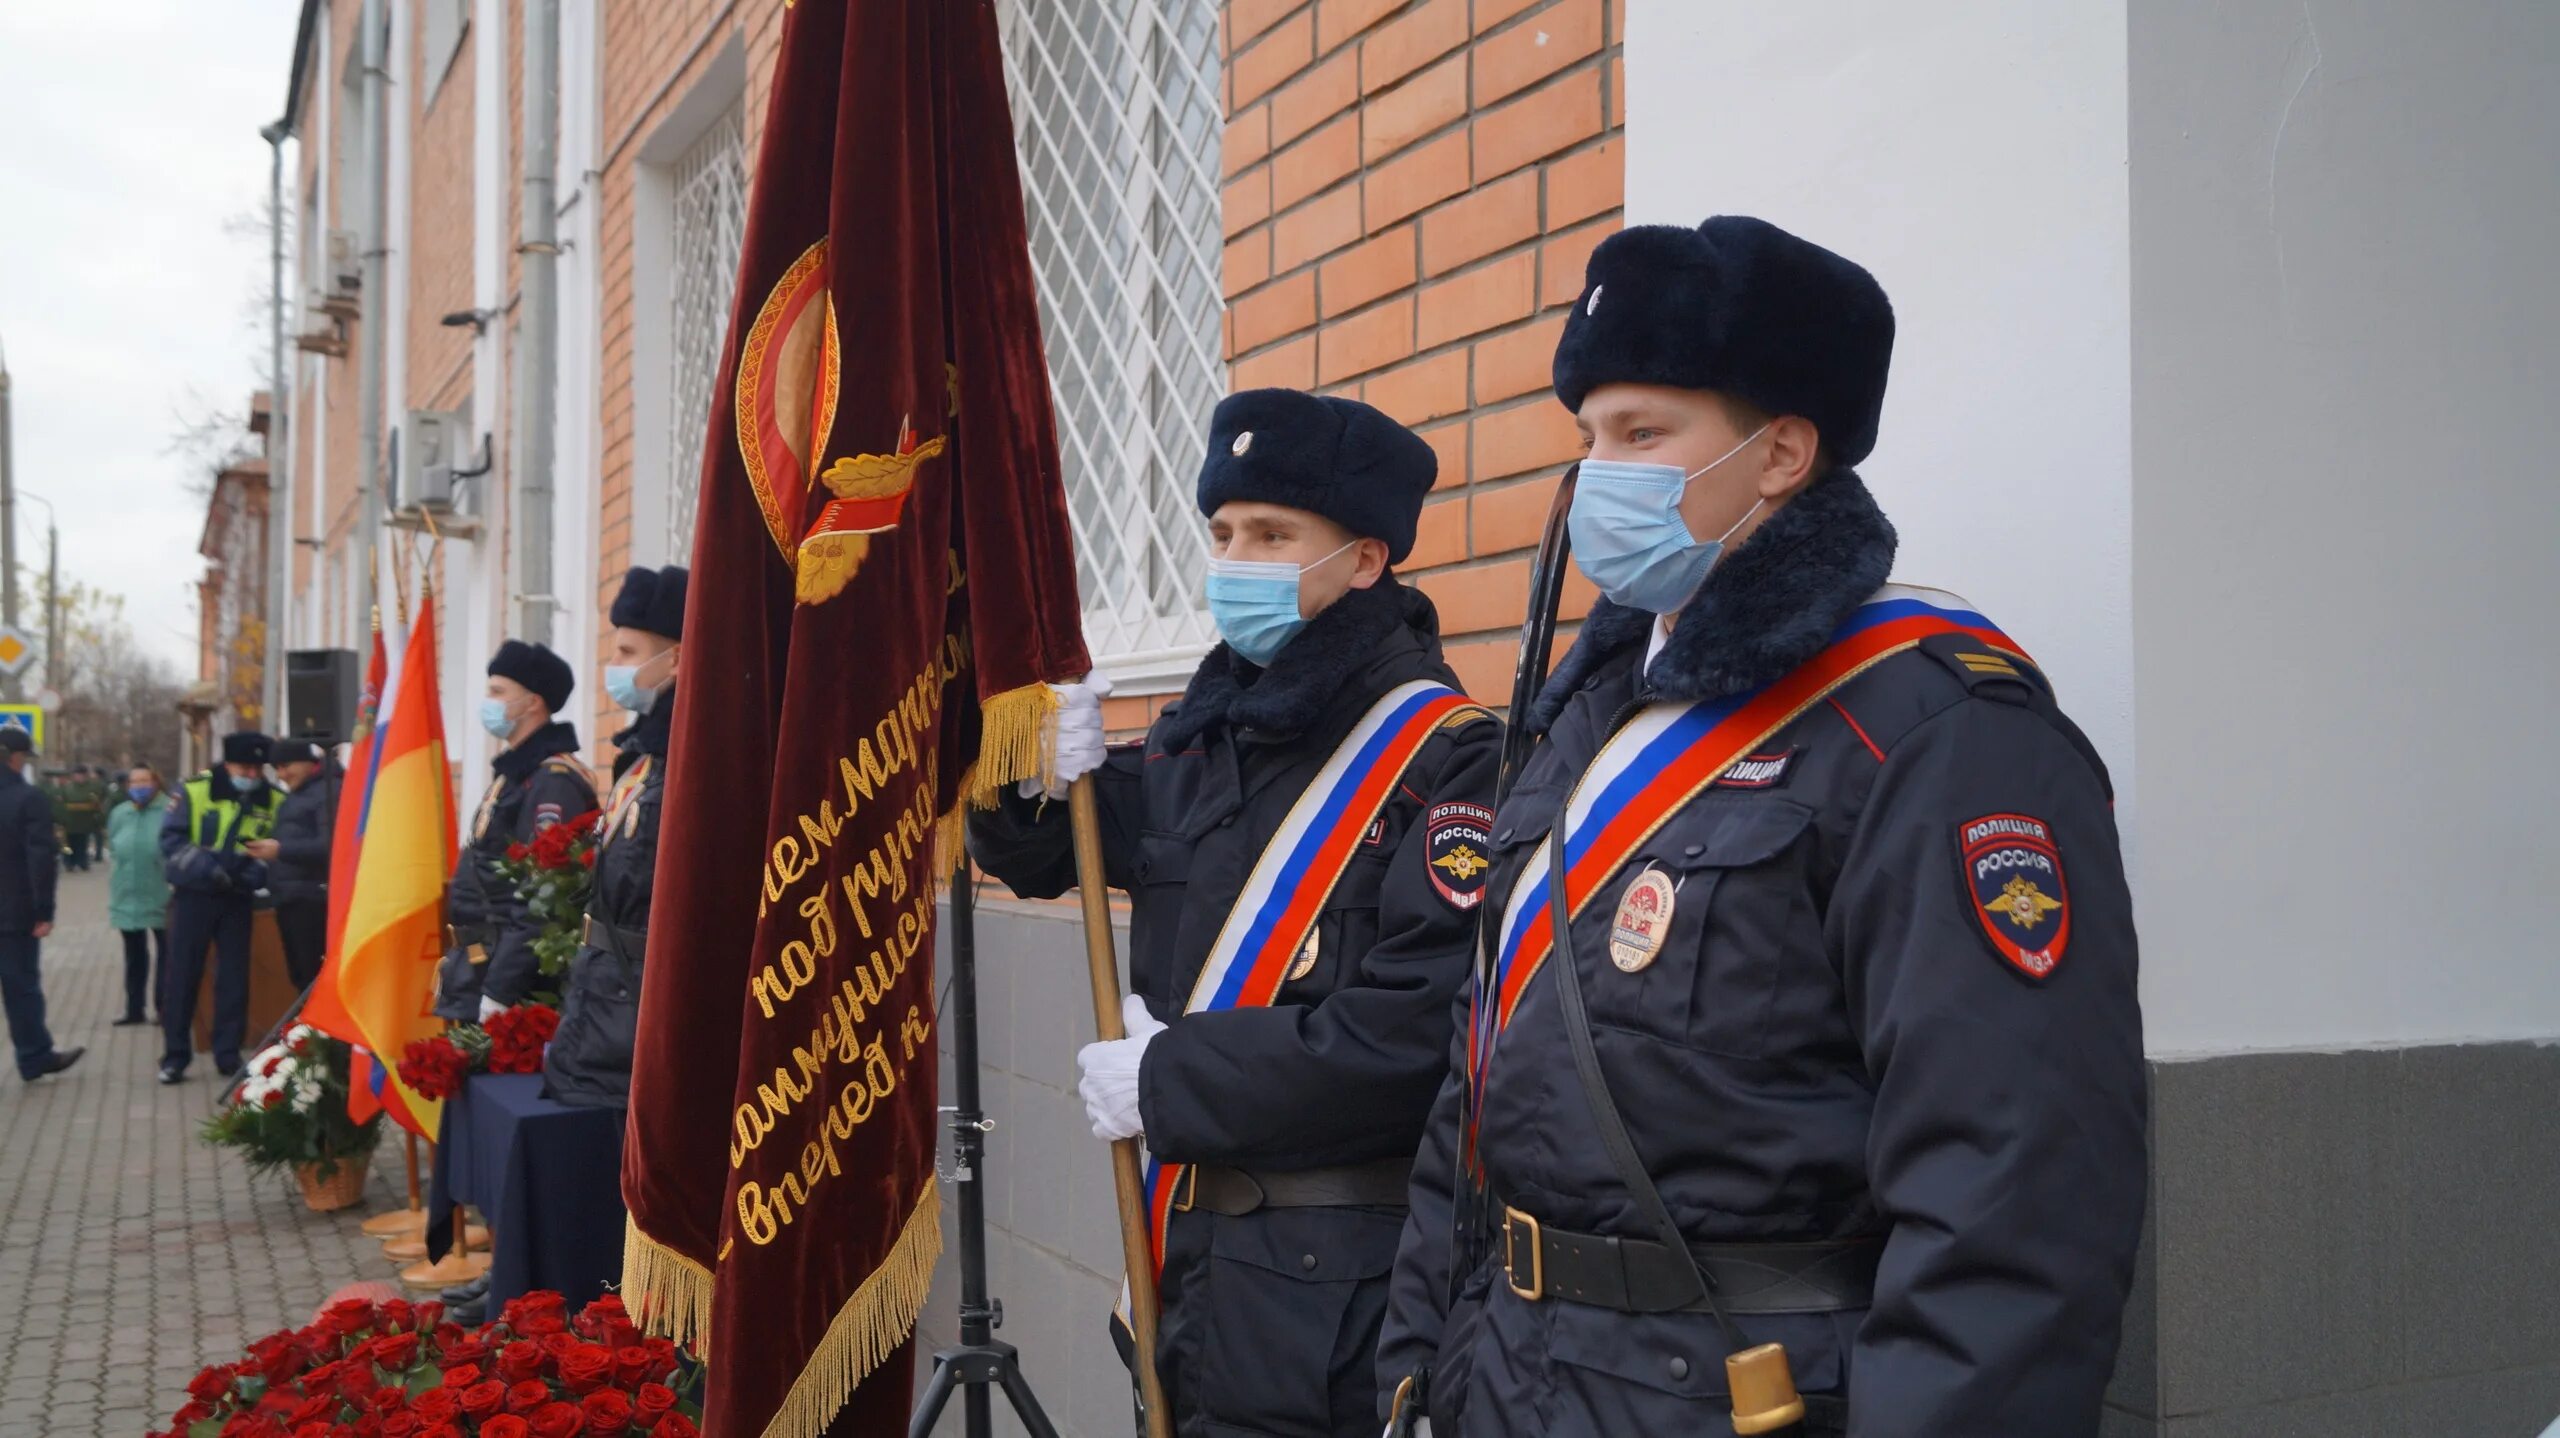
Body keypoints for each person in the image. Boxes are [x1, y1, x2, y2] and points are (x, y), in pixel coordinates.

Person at [1373, 217, 2147, 1438]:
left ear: (1781, 451)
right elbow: (1474, 1088)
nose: (1597, 477)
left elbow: (2012, 1194)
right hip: (1515, 1380)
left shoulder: (1933, 729)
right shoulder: (1585, 716)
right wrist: (1419, 1370)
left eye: (1642, 435)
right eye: (1587, 437)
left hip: (1742, 1394)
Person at [971, 390, 1502, 1438]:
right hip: (1185, 1269)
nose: (1235, 560)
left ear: (1365, 559)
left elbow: (1415, 1039)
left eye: (1271, 535)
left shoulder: (1446, 760)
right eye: (1221, 534)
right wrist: (1026, 768)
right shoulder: (1200, 738)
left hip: (1335, 1296)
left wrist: (1171, 1078)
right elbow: (1042, 853)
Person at [545, 565, 685, 1109]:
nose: (614, 666)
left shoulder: (689, 760)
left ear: (675, 659)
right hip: (603, 1005)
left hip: (632, 1017)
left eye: (628, 652)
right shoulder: (645, 758)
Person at [433, 640, 597, 1022]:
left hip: (506, 979)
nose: (487, 702)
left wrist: (499, 992)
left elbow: (540, 897)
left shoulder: (553, 782)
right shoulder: (517, 775)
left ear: (532, 703)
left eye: (498, 692)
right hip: (475, 966)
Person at [158, 732, 282, 1083]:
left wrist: (253, 873)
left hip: (237, 897)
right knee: (182, 976)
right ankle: (175, 1057)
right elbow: (171, 840)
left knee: (234, 979)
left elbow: (276, 850)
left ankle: (228, 1054)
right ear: (227, 764)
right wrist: (209, 870)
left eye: (258, 769)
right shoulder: (194, 791)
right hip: (194, 895)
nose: (252, 775)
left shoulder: (274, 799)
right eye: (245, 768)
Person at [0, 729, 79, 1080]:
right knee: (21, 988)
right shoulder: (27, 798)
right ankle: (34, 1057)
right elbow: (40, 858)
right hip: (13, 913)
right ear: (16, 758)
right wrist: (44, 910)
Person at [255, 737, 340, 991]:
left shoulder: (328, 791)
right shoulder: (299, 795)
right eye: (276, 769)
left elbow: (332, 845)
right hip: (292, 896)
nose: (281, 775)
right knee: (300, 976)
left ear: (307, 762)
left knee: (312, 976)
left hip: (314, 898)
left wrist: (281, 850)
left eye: (286, 766)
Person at [106, 765, 174, 1027]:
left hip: (162, 891)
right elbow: (114, 846)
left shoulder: (170, 810)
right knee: (133, 954)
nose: (139, 786)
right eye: (134, 782)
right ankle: (134, 1009)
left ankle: (164, 1008)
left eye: (145, 780)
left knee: (167, 953)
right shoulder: (120, 813)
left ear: (156, 782)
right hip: (128, 893)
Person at [62, 764, 106, 872]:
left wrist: (98, 817)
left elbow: (98, 803)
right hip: (69, 821)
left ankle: (82, 862)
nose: (79, 777)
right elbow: (62, 803)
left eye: (82, 775)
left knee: (82, 843)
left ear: (86, 775)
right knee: (68, 845)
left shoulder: (92, 787)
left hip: (85, 821)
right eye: (77, 774)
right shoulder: (68, 787)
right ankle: (69, 862)